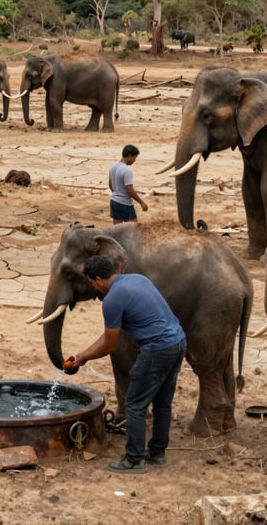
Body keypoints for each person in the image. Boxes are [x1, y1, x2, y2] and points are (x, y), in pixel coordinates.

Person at [67, 255, 186, 474]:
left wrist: (83, 357)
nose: (94, 287)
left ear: (98, 279)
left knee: (134, 404)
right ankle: (157, 453)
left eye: (92, 283)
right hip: (177, 342)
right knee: (162, 403)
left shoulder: (112, 300)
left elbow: (110, 343)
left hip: (156, 350)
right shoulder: (137, 279)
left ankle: (134, 459)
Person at [108, 144, 148, 223]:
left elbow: (110, 184)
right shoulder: (126, 170)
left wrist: (117, 194)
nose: (134, 160)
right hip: (125, 203)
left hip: (114, 201)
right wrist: (141, 202)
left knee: (117, 228)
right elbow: (129, 189)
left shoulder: (113, 167)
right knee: (133, 228)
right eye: (134, 157)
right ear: (129, 156)